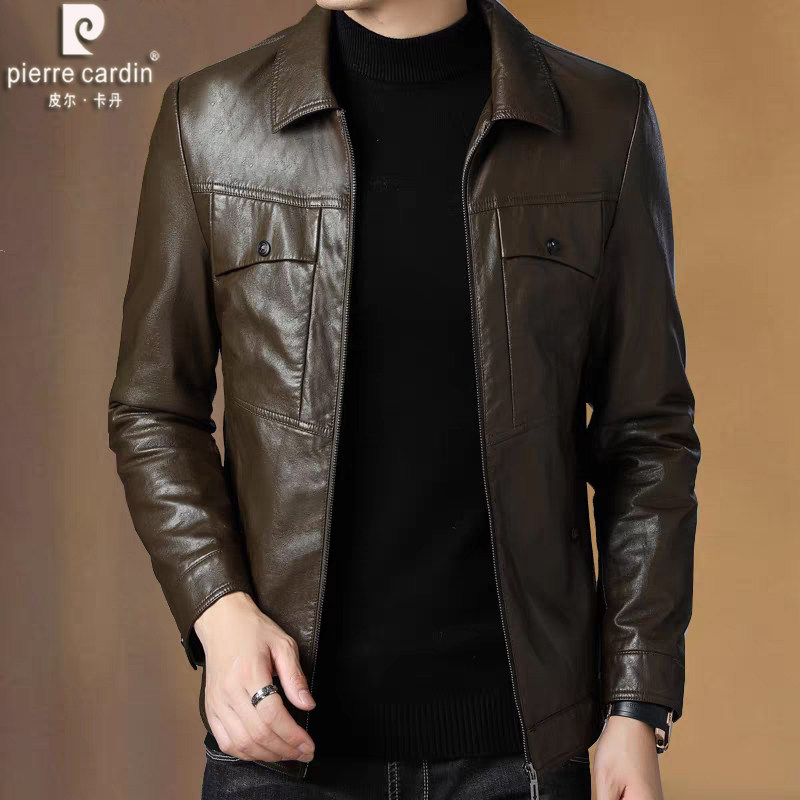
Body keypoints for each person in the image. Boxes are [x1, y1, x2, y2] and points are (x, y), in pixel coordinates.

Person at [107, 0, 701, 797]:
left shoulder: (602, 120)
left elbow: (648, 437)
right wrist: (219, 609)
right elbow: (153, 411)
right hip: (280, 744)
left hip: (521, 753)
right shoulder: (210, 118)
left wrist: (635, 706)